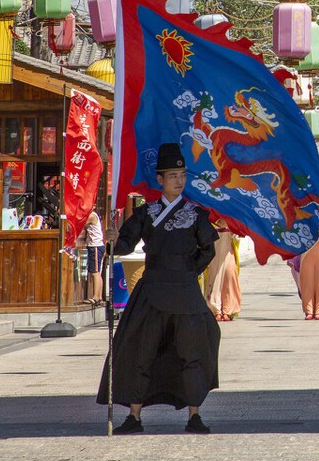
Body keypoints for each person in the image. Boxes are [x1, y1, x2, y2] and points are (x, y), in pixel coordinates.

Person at [98, 143, 220, 435]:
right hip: (152, 289)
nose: (178, 180)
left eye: (182, 175)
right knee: (141, 350)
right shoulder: (146, 212)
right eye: (172, 175)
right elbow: (125, 244)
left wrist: (188, 271)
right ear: (160, 180)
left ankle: (194, 415)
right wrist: (113, 240)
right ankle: (134, 417)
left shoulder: (196, 214)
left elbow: (209, 250)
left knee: (192, 352)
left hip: (185, 291)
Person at [289, 211, 319, 319]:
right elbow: (295, 242)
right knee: (307, 284)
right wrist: (291, 257)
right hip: (306, 258)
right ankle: (309, 311)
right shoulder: (302, 225)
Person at [204, 218, 241, 321]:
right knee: (214, 279)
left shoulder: (232, 219)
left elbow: (238, 237)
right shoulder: (210, 220)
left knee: (229, 277)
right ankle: (216, 310)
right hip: (214, 256)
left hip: (228, 253)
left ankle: (228, 310)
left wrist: (230, 226)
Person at [83, 211, 105, 306]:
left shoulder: (91, 215)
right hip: (96, 246)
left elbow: (82, 225)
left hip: (95, 246)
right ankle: (99, 297)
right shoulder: (92, 214)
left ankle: (96, 297)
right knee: (97, 272)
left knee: (95, 272)